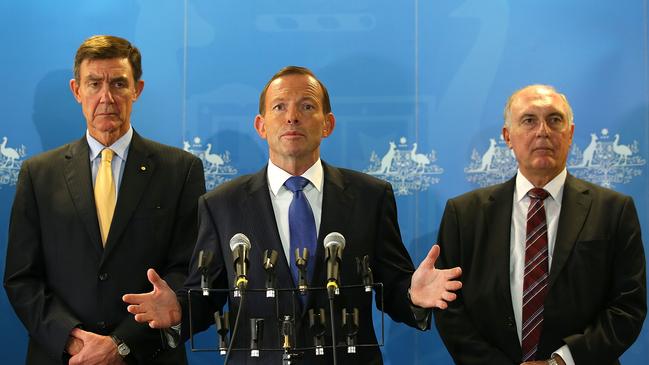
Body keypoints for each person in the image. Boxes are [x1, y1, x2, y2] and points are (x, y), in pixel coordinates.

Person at [123, 66, 462, 364]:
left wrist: (412, 296)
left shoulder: (370, 197)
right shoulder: (220, 205)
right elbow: (206, 296)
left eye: (307, 106)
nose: (292, 117)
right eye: (279, 107)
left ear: (327, 124)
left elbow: (392, 282)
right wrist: (179, 312)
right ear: (261, 125)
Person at [3, 35, 206, 364]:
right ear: (76, 90)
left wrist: (122, 344)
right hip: (64, 356)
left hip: (148, 356)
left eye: (118, 84)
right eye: (94, 83)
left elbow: (188, 272)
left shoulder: (181, 171)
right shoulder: (38, 174)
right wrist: (72, 339)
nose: (106, 97)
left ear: (137, 90)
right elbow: (21, 277)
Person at [433, 84, 646, 365]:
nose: (543, 130)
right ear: (508, 136)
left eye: (555, 120)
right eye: (529, 120)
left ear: (569, 134)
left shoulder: (614, 210)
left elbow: (627, 306)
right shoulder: (464, 214)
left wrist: (561, 361)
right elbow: (449, 308)